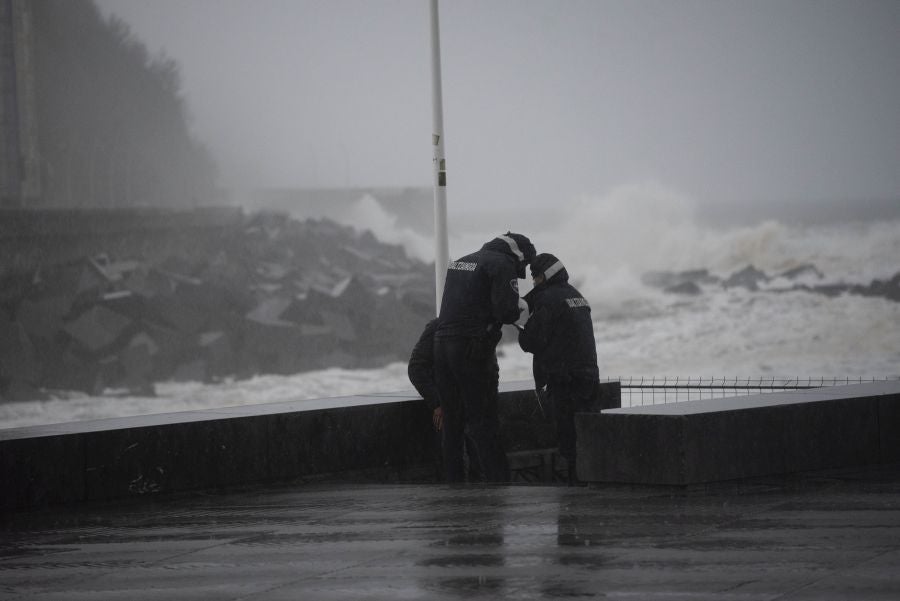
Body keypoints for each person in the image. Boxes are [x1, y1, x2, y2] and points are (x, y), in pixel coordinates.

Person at [434, 232, 536, 483]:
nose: (522, 272)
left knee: (453, 421)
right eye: (523, 266)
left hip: (441, 346)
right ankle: (497, 482)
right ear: (519, 256)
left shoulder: (461, 261)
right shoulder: (502, 265)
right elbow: (506, 310)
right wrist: (523, 306)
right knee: (483, 419)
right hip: (470, 347)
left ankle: (454, 483)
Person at [518, 253, 598, 485]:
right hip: (589, 376)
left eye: (535, 277)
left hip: (564, 379)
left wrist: (521, 329)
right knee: (586, 436)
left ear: (544, 276)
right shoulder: (576, 295)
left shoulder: (548, 300)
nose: (533, 282)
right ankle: (589, 486)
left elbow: (532, 341)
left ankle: (574, 495)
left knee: (569, 440)